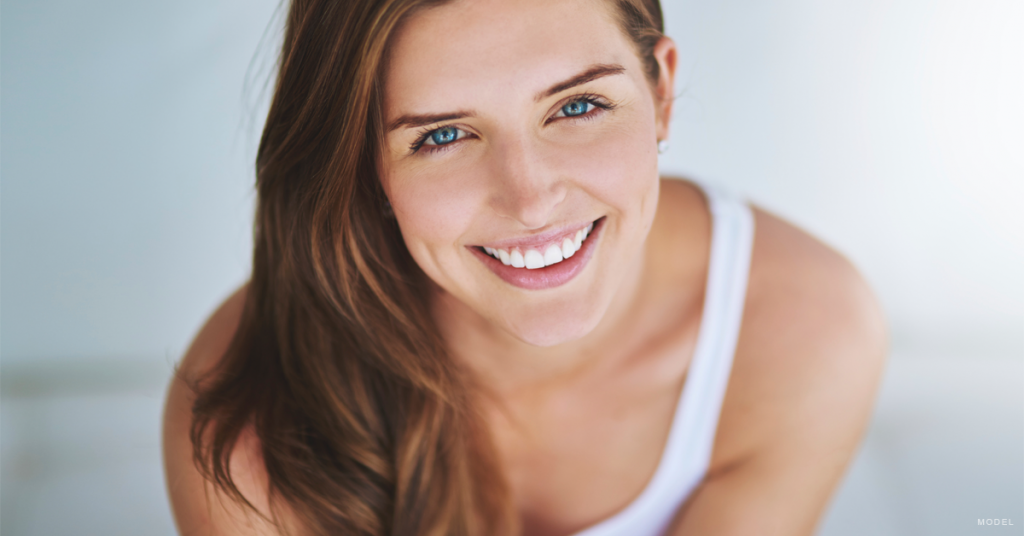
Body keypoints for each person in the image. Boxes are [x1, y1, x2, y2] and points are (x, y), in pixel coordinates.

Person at [162, 0, 887, 534]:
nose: (533, 201)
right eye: (443, 135)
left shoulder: (805, 331)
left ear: (660, 93)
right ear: (363, 166)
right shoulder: (249, 412)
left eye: (577, 107)